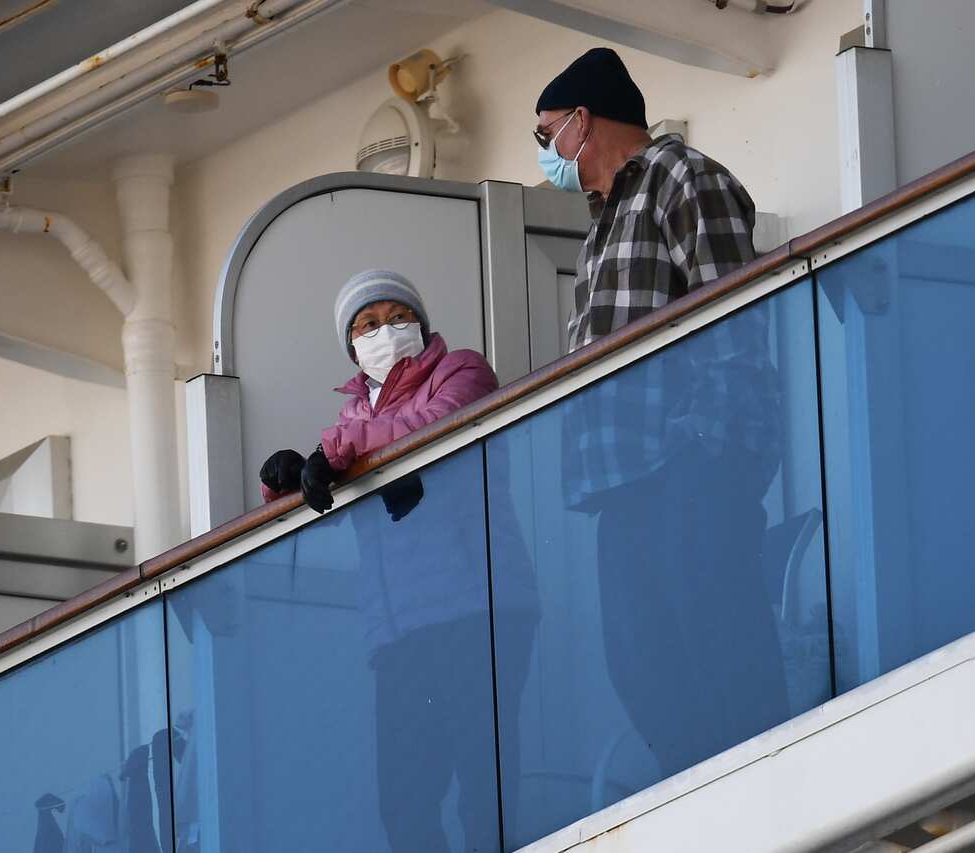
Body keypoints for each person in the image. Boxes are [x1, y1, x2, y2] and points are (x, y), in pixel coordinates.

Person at [535, 49, 788, 775]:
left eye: (548, 134)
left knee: (720, 645)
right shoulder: (600, 226)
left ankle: (761, 790)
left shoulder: (683, 177)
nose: (550, 157)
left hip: (687, 468)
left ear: (584, 119)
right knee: (638, 661)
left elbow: (732, 316)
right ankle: (709, 794)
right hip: (626, 486)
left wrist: (705, 449)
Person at [258, 269, 537, 852]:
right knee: (404, 804)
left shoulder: (461, 370)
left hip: (476, 609)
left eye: (394, 317)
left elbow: (427, 427)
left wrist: (332, 455)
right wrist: (285, 478)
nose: (383, 331)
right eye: (366, 325)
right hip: (397, 631)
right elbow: (332, 468)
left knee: (484, 788)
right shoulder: (353, 419)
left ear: (420, 322)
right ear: (352, 348)